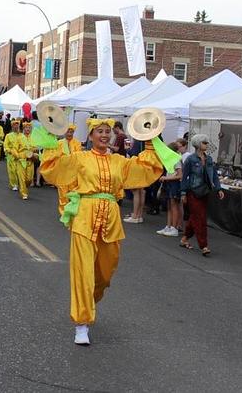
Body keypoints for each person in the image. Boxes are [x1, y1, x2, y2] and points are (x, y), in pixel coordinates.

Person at [40, 118, 163, 345]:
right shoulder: (79, 158)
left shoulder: (120, 161)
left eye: (108, 132)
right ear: (91, 136)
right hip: (85, 218)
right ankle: (82, 323)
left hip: (111, 219)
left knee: (105, 274)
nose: (105, 135)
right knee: (82, 272)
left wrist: (149, 141)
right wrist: (50, 140)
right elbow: (52, 169)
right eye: (100, 132)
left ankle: (90, 299)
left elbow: (147, 170)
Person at [179, 134, 225, 256]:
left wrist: (219, 188)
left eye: (206, 142)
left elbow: (214, 175)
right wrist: (183, 193)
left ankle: (184, 239)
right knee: (200, 218)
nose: (206, 144)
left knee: (195, 217)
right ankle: (204, 245)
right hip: (193, 191)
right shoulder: (191, 159)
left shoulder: (209, 159)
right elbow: (184, 177)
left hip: (205, 191)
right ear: (198, 144)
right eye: (204, 143)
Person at [157, 139, 188, 236]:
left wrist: (166, 178)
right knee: (170, 206)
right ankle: (168, 226)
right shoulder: (172, 160)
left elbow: (180, 175)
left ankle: (174, 228)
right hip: (170, 183)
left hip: (175, 184)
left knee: (174, 206)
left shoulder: (176, 160)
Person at [3, 119, 23, 194]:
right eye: (14, 125)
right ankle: (14, 184)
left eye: (17, 125)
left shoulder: (21, 135)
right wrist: (9, 150)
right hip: (11, 156)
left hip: (20, 155)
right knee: (12, 171)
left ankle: (20, 183)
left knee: (19, 170)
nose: (16, 127)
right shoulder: (8, 135)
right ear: (12, 126)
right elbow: (5, 144)